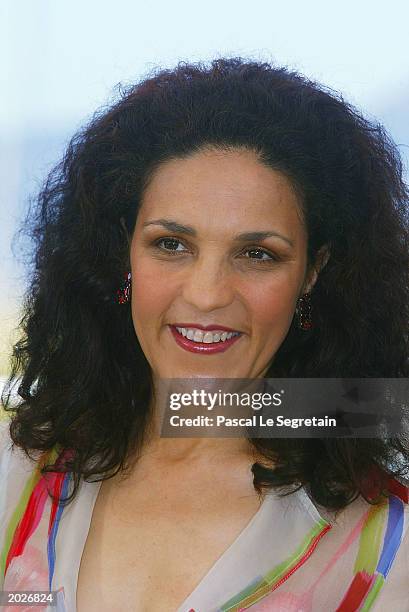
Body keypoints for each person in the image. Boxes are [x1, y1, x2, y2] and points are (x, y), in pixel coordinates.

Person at [1, 57, 408, 611]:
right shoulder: (14, 472)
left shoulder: (386, 544)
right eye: (171, 244)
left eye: (257, 254)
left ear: (314, 272)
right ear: (122, 252)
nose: (208, 293)